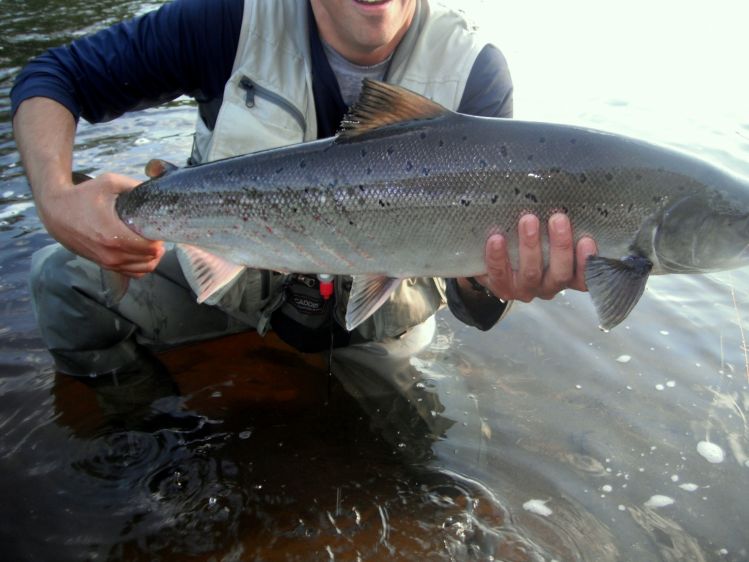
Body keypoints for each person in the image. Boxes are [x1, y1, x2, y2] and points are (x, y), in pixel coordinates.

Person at [11, 0, 596, 382]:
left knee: (420, 463)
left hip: (374, 313)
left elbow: (474, 298)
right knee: (62, 283)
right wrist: (57, 197)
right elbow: (52, 77)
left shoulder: (475, 71)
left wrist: (496, 280)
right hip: (220, 271)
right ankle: (132, 441)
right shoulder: (228, 19)